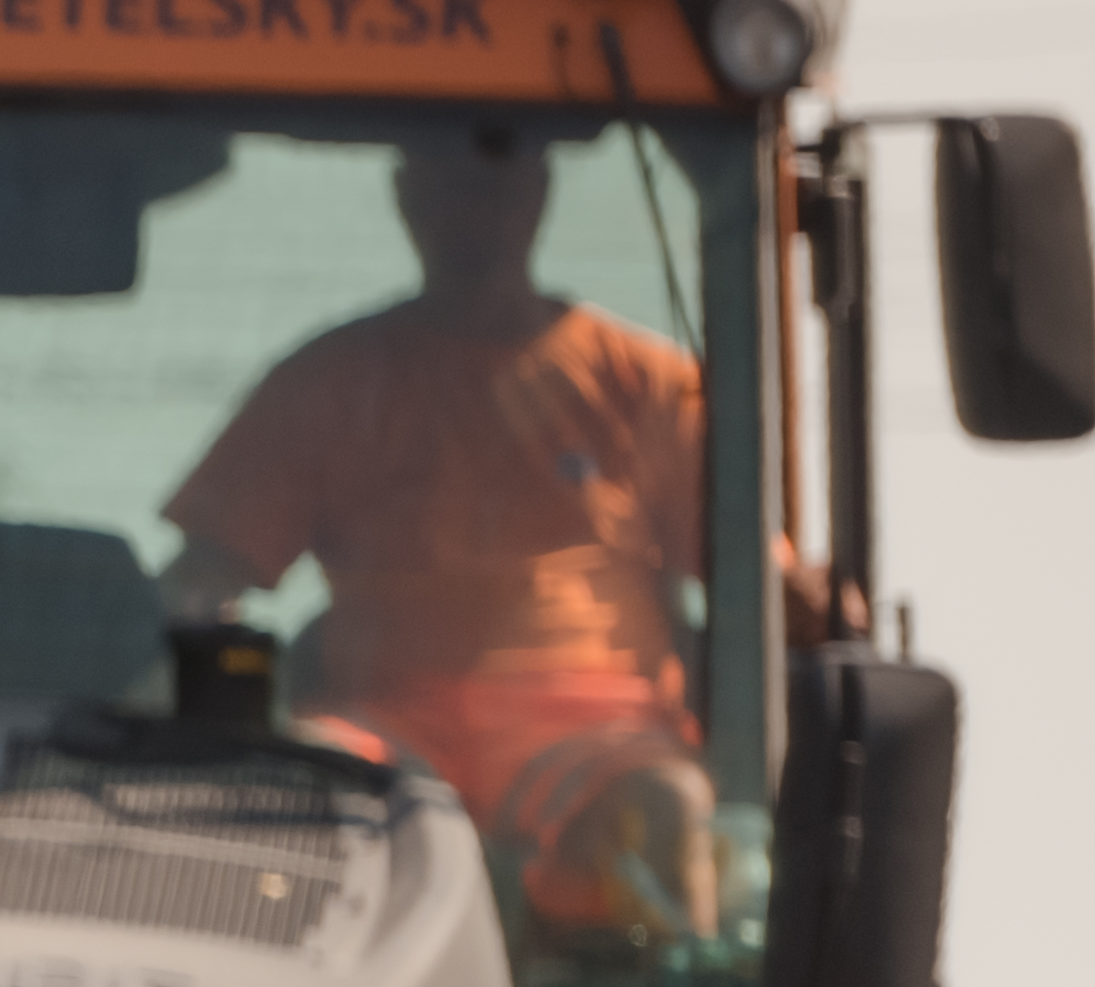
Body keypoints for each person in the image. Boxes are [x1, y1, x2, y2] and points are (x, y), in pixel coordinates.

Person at [156, 120, 729, 937]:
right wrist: (192, 631)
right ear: (405, 196)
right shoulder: (331, 381)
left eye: (493, 175)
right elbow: (207, 568)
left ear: (536, 192)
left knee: (665, 804)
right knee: (280, 800)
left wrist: (826, 615)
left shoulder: (643, 384)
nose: (471, 206)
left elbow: (755, 584)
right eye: (443, 179)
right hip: (386, 721)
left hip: (593, 728)